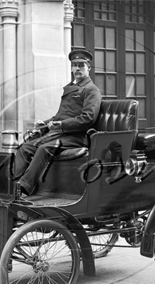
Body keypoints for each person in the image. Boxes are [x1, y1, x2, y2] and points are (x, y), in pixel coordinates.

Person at [14, 49, 102, 196]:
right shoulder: (71, 87)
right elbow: (60, 115)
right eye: (74, 65)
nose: (77, 68)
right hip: (61, 133)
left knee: (44, 148)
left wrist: (62, 125)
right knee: (25, 148)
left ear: (89, 68)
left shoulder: (91, 90)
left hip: (77, 136)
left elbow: (88, 118)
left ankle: (23, 187)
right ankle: (12, 186)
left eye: (81, 65)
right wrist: (44, 124)